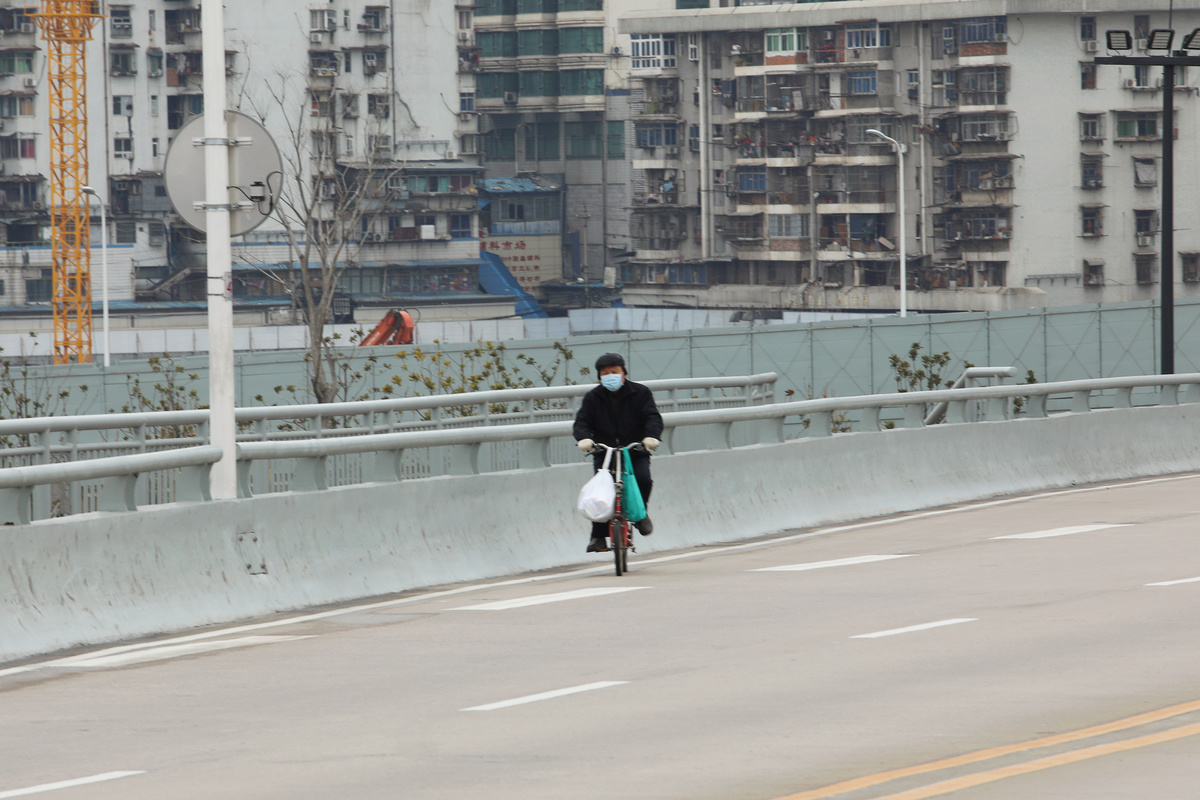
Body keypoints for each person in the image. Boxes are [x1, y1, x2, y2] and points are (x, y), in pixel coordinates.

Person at [574, 353, 664, 553]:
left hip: (635, 450)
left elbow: (652, 417)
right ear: (600, 376)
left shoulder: (641, 393)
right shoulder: (593, 398)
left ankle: (640, 515)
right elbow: (582, 422)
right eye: (605, 373)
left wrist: (651, 437)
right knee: (600, 492)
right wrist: (584, 438)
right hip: (604, 452)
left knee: (643, 479)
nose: (610, 376)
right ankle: (598, 536)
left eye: (614, 372)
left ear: (624, 373)